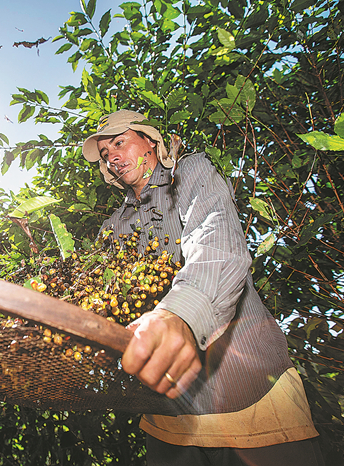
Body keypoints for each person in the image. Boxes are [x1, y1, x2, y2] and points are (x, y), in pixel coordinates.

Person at [82, 110, 324, 465]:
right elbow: (105, 295)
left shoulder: (189, 173)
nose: (113, 156)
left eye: (119, 142)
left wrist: (182, 313)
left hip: (250, 395)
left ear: (149, 141)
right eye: (105, 155)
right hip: (166, 416)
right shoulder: (114, 225)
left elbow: (217, 241)